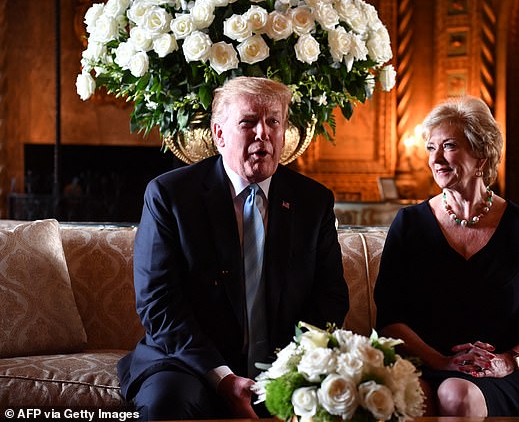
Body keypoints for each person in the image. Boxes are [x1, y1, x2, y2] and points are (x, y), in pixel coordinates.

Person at [117, 76, 349, 420]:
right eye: (248, 122)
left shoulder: (313, 201)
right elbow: (159, 305)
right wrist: (222, 377)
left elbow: (331, 299)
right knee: (167, 402)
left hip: (284, 362)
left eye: (274, 122)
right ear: (219, 134)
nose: (263, 134)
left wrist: (289, 368)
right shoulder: (171, 195)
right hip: (189, 362)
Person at [374, 95, 519, 417]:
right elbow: (390, 319)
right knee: (409, 399)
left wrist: (509, 361)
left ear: (481, 156)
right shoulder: (409, 224)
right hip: (424, 361)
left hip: (499, 370)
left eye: (449, 146)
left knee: (457, 394)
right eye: (431, 148)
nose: (436, 159)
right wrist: (440, 361)